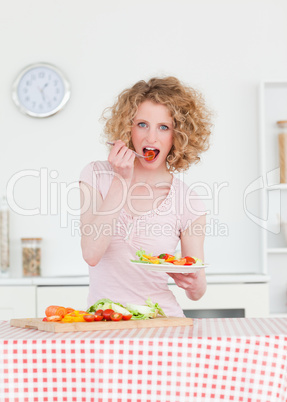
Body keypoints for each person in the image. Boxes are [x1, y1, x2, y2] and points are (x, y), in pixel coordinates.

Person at [79, 76, 212, 317]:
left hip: (162, 324)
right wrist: (121, 180)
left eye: (164, 127)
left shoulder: (188, 201)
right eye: (142, 124)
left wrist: (195, 284)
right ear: (127, 128)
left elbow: (197, 289)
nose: (151, 138)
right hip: (104, 322)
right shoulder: (96, 175)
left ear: (178, 136)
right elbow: (91, 254)